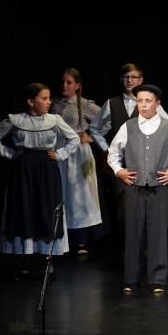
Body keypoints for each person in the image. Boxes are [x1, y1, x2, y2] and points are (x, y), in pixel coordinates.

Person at [107, 84, 168, 294]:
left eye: (148, 101)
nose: (143, 105)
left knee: (158, 233)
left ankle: (157, 278)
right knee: (133, 232)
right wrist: (119, 171)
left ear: (157, 103)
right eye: (140, 101)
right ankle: (131, 277)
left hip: (159, 187)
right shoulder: (128, 126)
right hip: (134, 187)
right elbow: (113, 153)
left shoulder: (167, 126)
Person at [0, 83, 80, 269]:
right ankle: (25, 259)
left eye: (49, 98)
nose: (49, 102)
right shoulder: (16, 120)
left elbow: (74, 138)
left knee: (47, 208)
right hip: (23, 169)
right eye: (44, 98)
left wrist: (60, 154)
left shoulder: (54, 120)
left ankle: (47, 260)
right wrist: (9, 154)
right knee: (24, 207)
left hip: (46, 168)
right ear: (31, 102)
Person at [89, 63, 168, 240]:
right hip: (123, 165)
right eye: (126, 77)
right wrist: (107, 149)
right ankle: (127, 247)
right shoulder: (112, 103)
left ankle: (147, 245)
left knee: (147, 205)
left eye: (134, 77)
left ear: (141, 80)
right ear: (121, 79)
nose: (130, 80)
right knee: (123, 206)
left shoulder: (150, 101)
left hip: (147, 162)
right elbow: (94, 128)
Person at [50, 68, 104, 254]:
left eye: (69, 82)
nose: (64, 85)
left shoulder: (85, 104)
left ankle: (81, 239)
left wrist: (91, 136)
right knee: (61, 192)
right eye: (62, 81)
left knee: (79, 195)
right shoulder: (54, 103)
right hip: (59, 150)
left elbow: (107, 119)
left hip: (78, 153)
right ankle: (60, 237)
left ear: (78, 86)